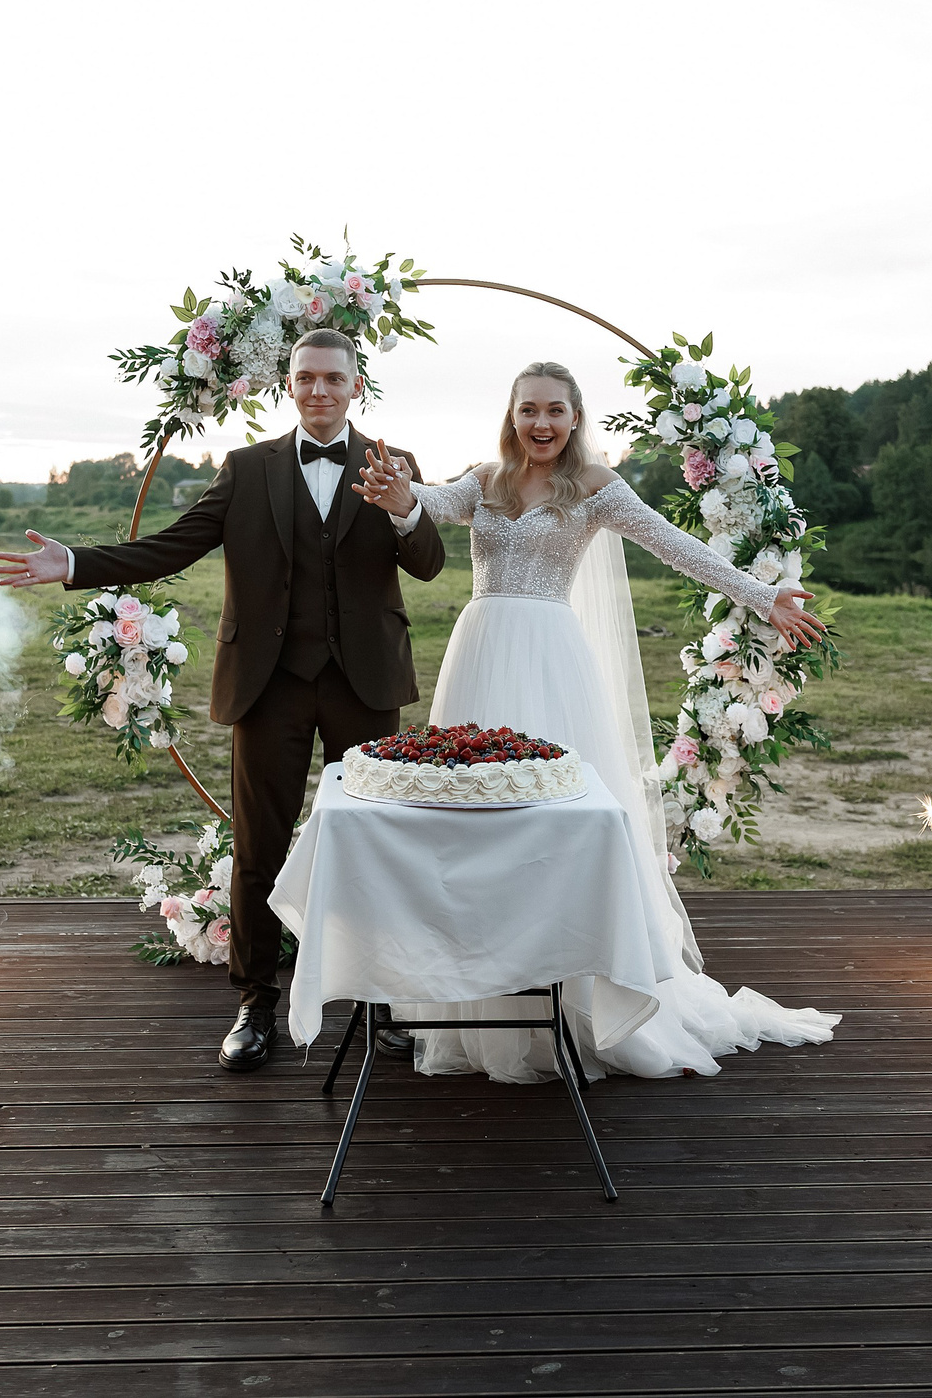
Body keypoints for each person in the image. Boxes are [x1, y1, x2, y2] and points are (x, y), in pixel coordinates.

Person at [350, 359, 840, 1080]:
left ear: (576, 418)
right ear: (511, 416)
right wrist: (400, 498)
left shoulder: (597, 489)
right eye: (529, 410)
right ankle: (483, 999)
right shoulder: (483, 480)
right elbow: (427, 501)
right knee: (472, 817)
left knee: (557, 818)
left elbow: (679, 549)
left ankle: (578, 995)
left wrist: (762, 598)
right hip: (481, 652)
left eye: (555, 410)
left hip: (551, 660)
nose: (541, 423)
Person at [0, 329, 445, 1071]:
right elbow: (171, 545)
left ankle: (378, 1003)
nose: (320, 391)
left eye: (335, 378)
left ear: (357, 387)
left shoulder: (394, 466)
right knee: (259, 847)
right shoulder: (246, 469)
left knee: (371, 844)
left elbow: (426, 565)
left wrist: (404, 509)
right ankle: (255, 1002)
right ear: (288, 386)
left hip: (366, 684)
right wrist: (74, 563)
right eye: (306, 378)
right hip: (268, 685)